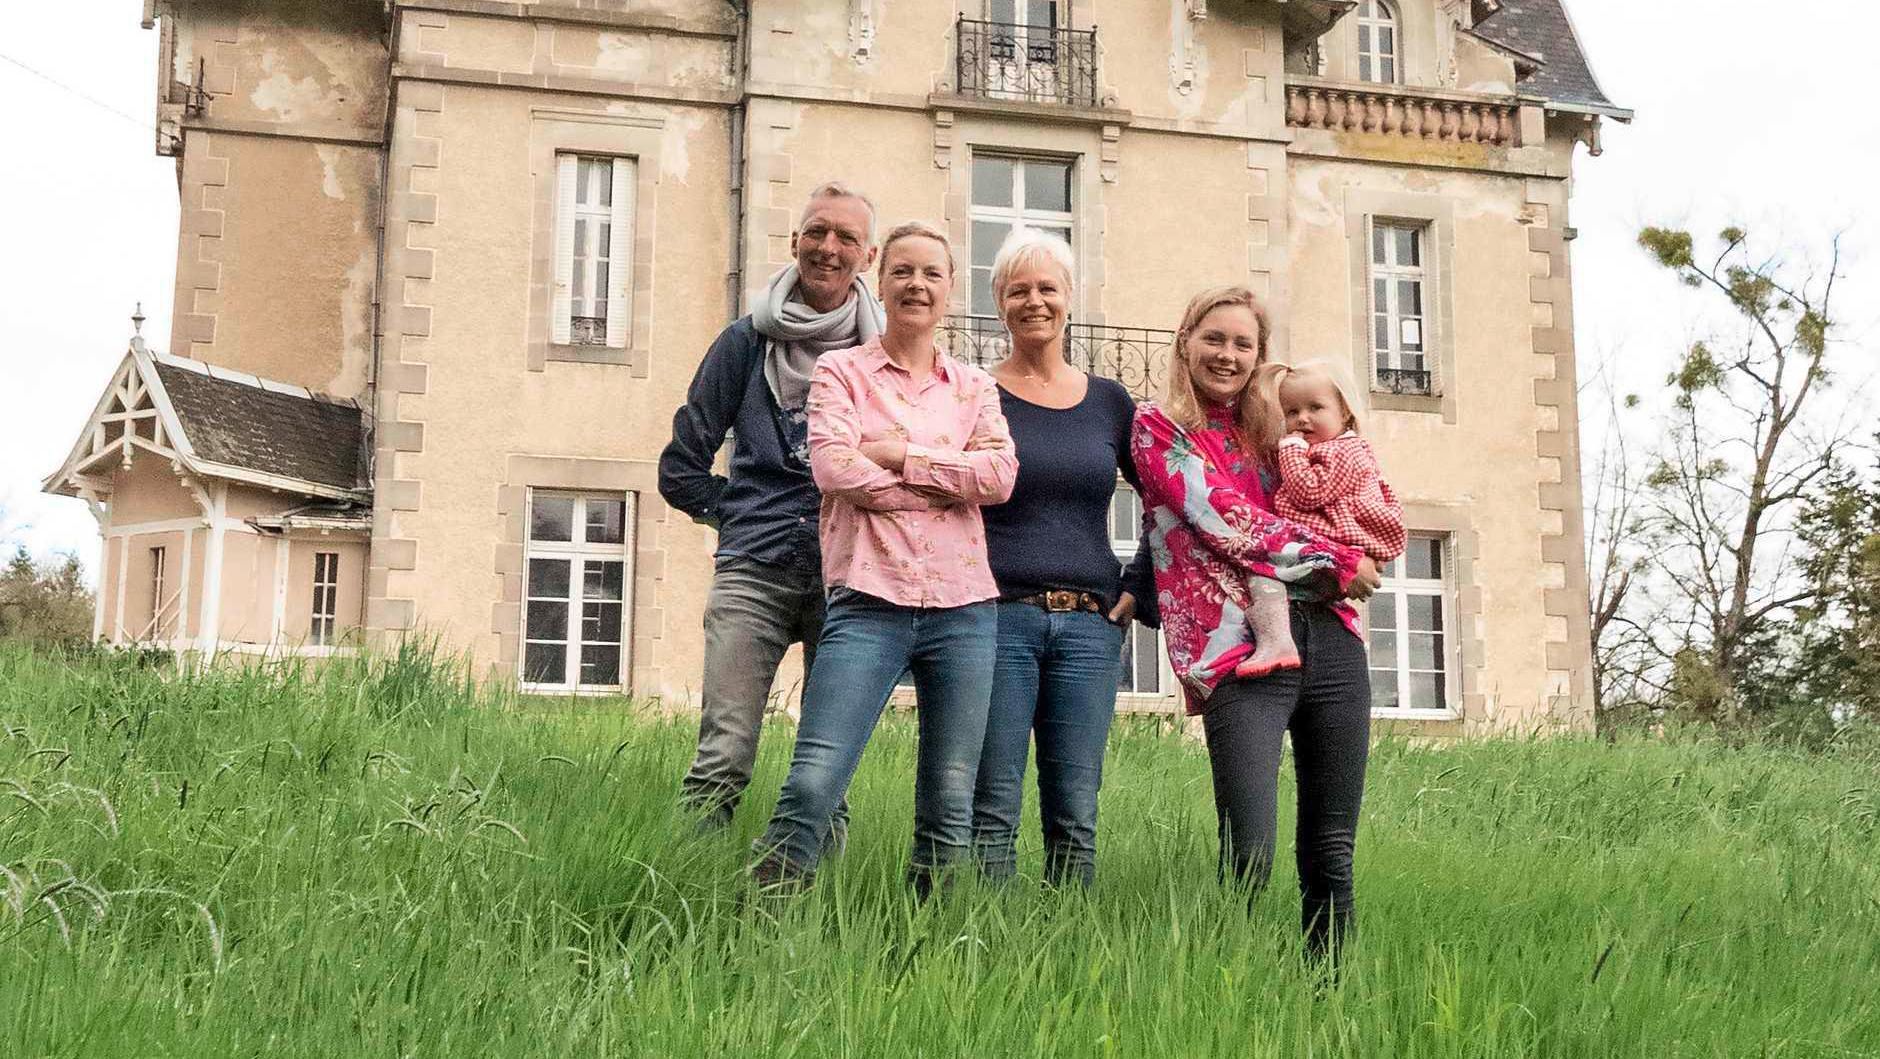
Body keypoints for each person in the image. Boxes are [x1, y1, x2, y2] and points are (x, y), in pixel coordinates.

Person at [751, 221, 1017, 896]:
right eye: (903, 271)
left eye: (931, 272)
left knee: (949, 800)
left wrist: (903, 456)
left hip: (965, 609)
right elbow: (834, 468)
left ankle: (926, 947)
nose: (917, 285)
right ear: (882, 279)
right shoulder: (842, 371)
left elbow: (1000, 477)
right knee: (815, 777)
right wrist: (943, 486)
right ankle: (759, 918)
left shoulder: (974, 386)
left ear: (950, 287)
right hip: (868, 602)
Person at [1129, 286, 1382, 962]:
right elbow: (1221, 521)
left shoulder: (1284, 435)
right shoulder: (1159, 427)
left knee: (1332, 853)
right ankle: (1226, 1001)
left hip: (1330, 639)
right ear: (1186, 340)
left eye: (1244, 344)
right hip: (1237, 652)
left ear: (1259, 356)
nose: (1228, 354)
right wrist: (1336, 557)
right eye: (1215, 337)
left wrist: (1360, 537)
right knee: (1250, 853)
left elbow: (1347, 496)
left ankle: (1330, 1003)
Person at [659, 182, 882, 836]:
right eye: (817, 231)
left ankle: (813, 910)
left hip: (845, 583)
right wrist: (738, 512)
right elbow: (681, 466)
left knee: (827, 773)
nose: (828, 247)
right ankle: (686, 890)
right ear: (794, 242)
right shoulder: (744, 344)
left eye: (845, 237)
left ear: (865, 256)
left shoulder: (883, 357)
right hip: (751, 574)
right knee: (721, 756)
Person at [968, 227, 1154, 888]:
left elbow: (1168, 498)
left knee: (1074, 814)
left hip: (1089, 627)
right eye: (1018, 290)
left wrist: (1139, 584)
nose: (1034, 301)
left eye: (1047, 287)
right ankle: (987, 950)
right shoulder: (973, 392)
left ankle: (1065, 947)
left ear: (1070, 297)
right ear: (1000, 304)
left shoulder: (1109, 402)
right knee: (991, 809)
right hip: (997, 621)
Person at [1234, 358, 1405, 677]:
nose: (1303, 419)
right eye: (1292, 412)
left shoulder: (1342, 451)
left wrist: (1290, 449)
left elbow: (1308, 492)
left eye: (1316, 408)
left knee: (1264, 570)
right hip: (1335, 532)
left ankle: (1275, 641)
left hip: (1341, 532)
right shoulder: (1325, 449)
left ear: (1345, 413)